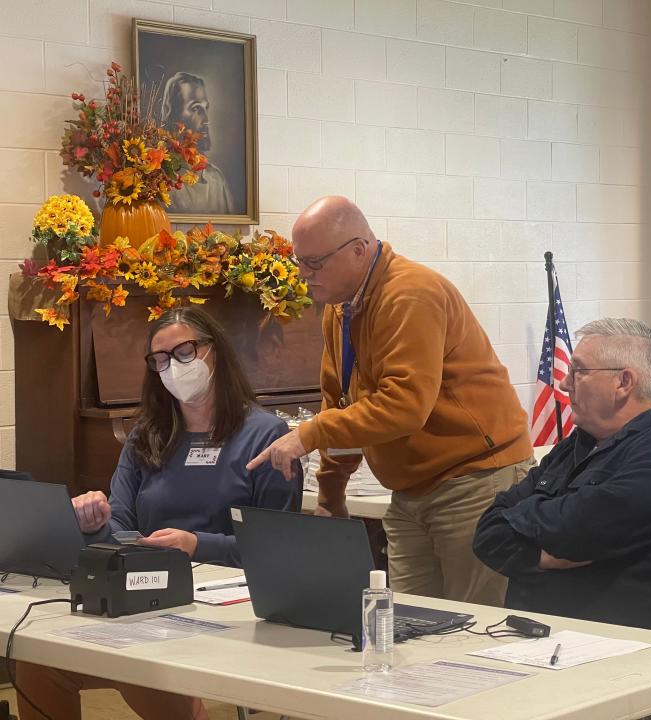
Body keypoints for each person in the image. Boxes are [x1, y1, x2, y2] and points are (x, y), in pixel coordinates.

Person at [247, 196, 534, 606]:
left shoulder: (411, 294)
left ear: (359, 250)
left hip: (474, 479)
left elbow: (404, 406)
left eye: (315, 263)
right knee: (406, 623)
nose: (304, 275)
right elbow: (340, 402)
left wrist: (310, 434)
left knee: (473, 628)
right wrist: (331, 494)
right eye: (299, 263)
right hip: (410, 488)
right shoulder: (340, 306)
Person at [15, 307, 299, 720]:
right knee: (38, 658)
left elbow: (279, 549)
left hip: (224, 603)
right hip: (148, 593)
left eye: (184, 352)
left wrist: (196, 544)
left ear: (214, 351)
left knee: (138, 662)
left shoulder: (266, 435)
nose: (172, 368)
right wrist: (93, 523)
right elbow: (121, 526)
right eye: (161, 360)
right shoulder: (147, 434)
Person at [473, 318, 651, 637]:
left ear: (624, 382)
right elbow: (487, 533)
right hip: (535, 640)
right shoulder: (575, 447)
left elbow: (580, 530)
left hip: (625, 649)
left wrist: (526, 521)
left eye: (579, 371)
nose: (564, 383)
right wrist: (542, 553)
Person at [160, 72, 235, 216]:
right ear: (174, 115)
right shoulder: (160, 180)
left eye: (205, 108)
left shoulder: (216, 180)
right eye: (195, 109)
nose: (206, 119)